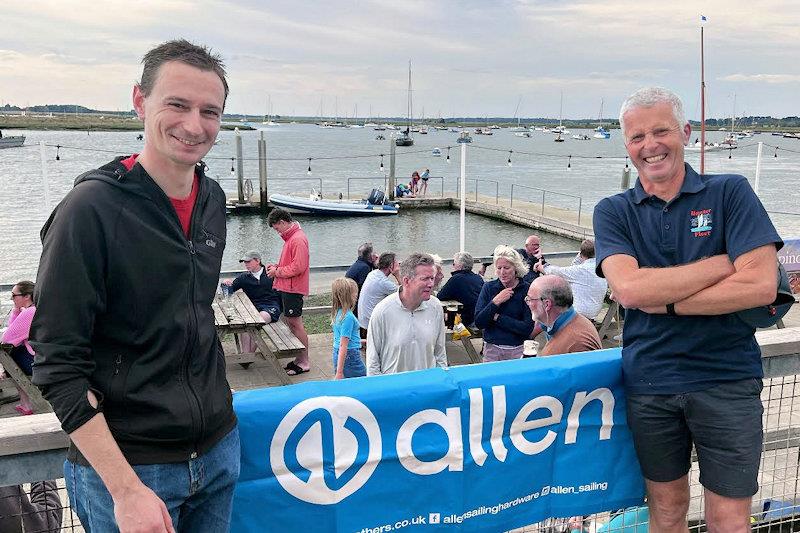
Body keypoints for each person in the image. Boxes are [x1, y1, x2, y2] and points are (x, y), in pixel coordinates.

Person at [30, 39, 239, 532]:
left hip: (217, 448)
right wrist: (125, 490)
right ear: (140, 102)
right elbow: (58, 365)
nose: (194, 125)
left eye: (210, 111)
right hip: (131, 469)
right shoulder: (90, 212)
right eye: (177, 104)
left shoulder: (213, 199)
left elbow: (191, 316)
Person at [593, 86, 782, 532]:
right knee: (667, 510)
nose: (650, 145)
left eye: (661, 131)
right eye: (637, 137)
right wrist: (721, 262)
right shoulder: (613, 211)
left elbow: (758, 285)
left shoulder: (729, 192)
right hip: (651, 382)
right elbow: (630, 290)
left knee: (730, 518)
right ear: (626, 145)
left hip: (727, 378)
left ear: (686, 132)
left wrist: (667, 303)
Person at [367, 253, 447, 375]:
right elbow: (372, 362)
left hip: (427, 388)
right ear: (406, 281)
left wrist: (440, 382)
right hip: (395, 390)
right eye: (425, 279)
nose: (431, 284)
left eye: (432, 278)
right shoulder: (382, 311)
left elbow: (440, 353)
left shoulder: (435, 307)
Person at [266, 207, 311, 376]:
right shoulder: (292, 238)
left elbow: (298, 267)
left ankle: (304, 361)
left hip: (293, 288)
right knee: (291, 323)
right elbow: (292, 264)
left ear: (283, 222)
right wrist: (277, 267)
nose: (277, 232)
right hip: (288, 287)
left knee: (295, 324)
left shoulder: (297, 239)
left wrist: (277, 272)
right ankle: (299, 358)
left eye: (277, 228)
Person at [474, 245, 535, 361]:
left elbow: (527, 328)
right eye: (499, 268)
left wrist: (497, 318)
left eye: (506, 268)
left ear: (516, 268)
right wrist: (495, 302)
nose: (502, 272)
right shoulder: (488, 287)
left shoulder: (526, 290)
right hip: (492, 348)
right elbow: (479, 322)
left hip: (517, 349)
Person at [525, 275, 601, 356]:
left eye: (530, 299)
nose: (527, 302)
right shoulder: (564, 323)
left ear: (546, 304)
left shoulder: (578, 344)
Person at [222, 250, 281, 353]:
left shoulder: (270, 274)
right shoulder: (244, 277)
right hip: (251, 308)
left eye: (248, 262)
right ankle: (246, 355)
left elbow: (282, 290)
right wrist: (225, 283)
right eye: (244, 262)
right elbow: (228, 291)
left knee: (256, 322)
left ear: (257, 261)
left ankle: (248, 355)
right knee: (246, 323)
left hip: (270, 307)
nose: (246, 264)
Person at [533, 239, 608, 320]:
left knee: (549, 301)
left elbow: (557, 272)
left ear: (581, 254)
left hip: (578, 315)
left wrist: (542, 267)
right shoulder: (602, 267)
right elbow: (573, 266)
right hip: (593, 313)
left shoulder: (580, 270)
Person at [2, 280, 37, 415]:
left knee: (8, 355)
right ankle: (24, 403)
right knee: (13, 353)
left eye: (14, 295)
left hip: (37, 362)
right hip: (44, 356)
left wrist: (16, 311)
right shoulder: (37, 308)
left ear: (26, 296)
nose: (12, 299)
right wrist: (17, 310)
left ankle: (26, 404)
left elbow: (7, 339)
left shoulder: (29, 312)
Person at [330, 277, 367, 379]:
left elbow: (345, 341)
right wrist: (339, 372)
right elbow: (343, 345)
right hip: (350, 356)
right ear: (348, 296)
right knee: (362, 380)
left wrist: (365, 341)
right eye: (355, 293)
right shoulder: (348, 317)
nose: (356, 296)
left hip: (337, 353)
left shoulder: (338, 313)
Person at [436, 251, 484, 327]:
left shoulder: (456, 279)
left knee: (441, 317)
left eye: (454, 264)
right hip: (479, 317)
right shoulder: (478, 278)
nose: (453, 266)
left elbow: (440, 296)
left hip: (466, 321)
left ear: (460, 266)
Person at [357, 252, 399, 335]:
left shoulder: (373, 273)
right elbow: (405, 292)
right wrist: (397, 273)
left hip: (363, 321)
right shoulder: (383, 282)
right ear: (391, 266)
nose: (398, 265)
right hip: (371, 325)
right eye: (396, 263)